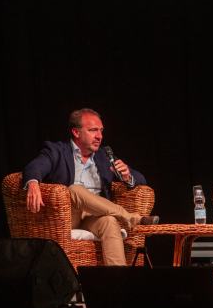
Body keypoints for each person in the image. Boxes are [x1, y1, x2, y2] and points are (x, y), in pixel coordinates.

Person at [23, 108, 158, 265]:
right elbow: (34, 167)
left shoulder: (104, 157)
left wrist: (128, 176)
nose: (99, 136)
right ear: (76, 132)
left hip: (94, 215)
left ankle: (120, 282)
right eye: (93, 130)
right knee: (74, 189)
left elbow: (141, 179)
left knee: (109, 222)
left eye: (101, 131)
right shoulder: (57, 150)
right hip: (66, 216)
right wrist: (33, 183)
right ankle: (131, 218)